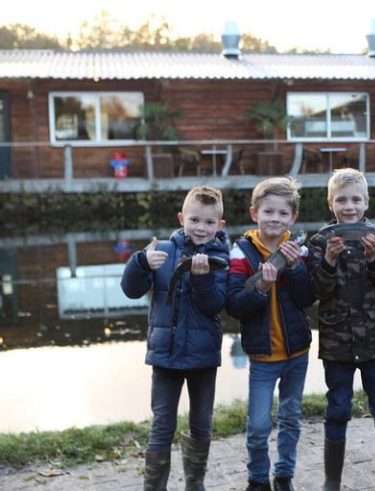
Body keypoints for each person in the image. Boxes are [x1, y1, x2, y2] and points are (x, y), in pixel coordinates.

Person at [307, 168, 375, 491]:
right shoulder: (320, 240)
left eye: (355, 199)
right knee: (337, 407)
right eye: (342, 200)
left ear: (366, 203)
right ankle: (331, 480)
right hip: (337, 342)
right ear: (330, 203)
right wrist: (327, 261)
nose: (348, 206)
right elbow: (315, 292)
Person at [121, 186, 229, 491]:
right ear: (182, 218)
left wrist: (203, 279)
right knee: (162, 425)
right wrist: (141, 262)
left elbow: (215, 305)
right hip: (165, 356)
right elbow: (131, 290)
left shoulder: (221, 257)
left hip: (203, 358)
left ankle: (195, 484)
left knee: (201, 424)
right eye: (195, 219)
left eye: (209, 222)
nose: (201, 228)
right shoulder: (162, 251)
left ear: (220, 225)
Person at [226, 177, 314, 491]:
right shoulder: (241, 254)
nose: (274, 219)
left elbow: (307, 299)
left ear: (293, 218)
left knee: (290, 418)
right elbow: (235, 304)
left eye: (282, 213)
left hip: (296, 354)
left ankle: (285, 475)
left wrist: (295, 268)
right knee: (258, 425)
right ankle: (258, 478)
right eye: (268, 212)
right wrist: (261, 287)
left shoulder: (299, 249)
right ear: (254, 213)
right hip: (263, 356)